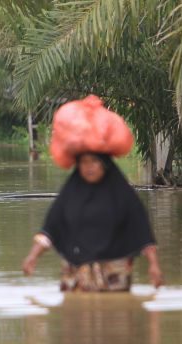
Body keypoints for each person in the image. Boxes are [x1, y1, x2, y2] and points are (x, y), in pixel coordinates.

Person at [22, 95, 163, 291]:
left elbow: (141, 229)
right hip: (78, 274)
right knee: (76, 313)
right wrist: (32, 257)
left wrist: (154, 265)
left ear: (104, 165)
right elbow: (51, 227)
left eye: (94, 162)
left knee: (118, 317)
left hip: (114, 274)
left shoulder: (121, 194)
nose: (89, 168)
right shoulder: (71, 193)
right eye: (84, 163)